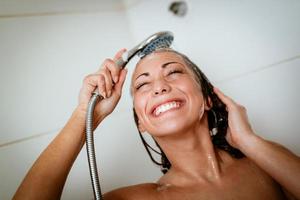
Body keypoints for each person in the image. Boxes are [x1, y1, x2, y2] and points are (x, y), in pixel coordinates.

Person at [13, 48, 300, 200]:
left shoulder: (265, 164)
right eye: (142, 84)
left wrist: (250, 141)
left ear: (208, 99)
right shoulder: (134, 199)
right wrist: (86, 117)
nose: (159, 88)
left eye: (173, 72)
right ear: (142, 123)